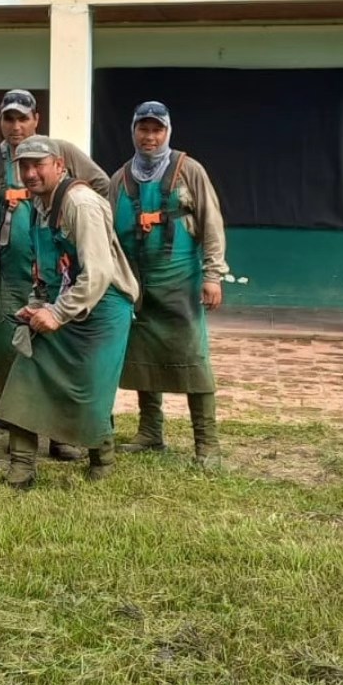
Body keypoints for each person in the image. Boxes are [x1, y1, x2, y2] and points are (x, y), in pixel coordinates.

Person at [0, 89, 109, 454]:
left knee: (60, 350)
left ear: (36, 119)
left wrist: (85, 229)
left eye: (22, 118)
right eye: (8, 119)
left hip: (59, 275)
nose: (15, 126)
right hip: (8, 275)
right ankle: (18, 427)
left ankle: (61, 435)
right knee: (14, 353)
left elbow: (102, 185)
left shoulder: (63, 152)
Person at [0, 136, 138, 488]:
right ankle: (22, 465)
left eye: (38, 165)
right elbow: (45, 269)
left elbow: (99, 273)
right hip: (64, 303)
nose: (30, 173)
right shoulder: (39, 206)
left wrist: (58, 314)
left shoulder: (81, 203)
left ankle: (101, 462)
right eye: (23, 166)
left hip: (103, 309)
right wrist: (37, 305)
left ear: (59, 165)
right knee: (26, 371)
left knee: (90, 391)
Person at [109, 101, 227, 467]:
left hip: (181, 284)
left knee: (193, 358)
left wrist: (212, 275)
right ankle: (150, 432)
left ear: (168, 131)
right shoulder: (119, 179)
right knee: (144, 358)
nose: (150, 136)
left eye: (157, 129)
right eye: (143, 128)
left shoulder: (189, 171)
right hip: (137, 287)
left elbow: (211, 223)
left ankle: (206, 445)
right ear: (133, 131)